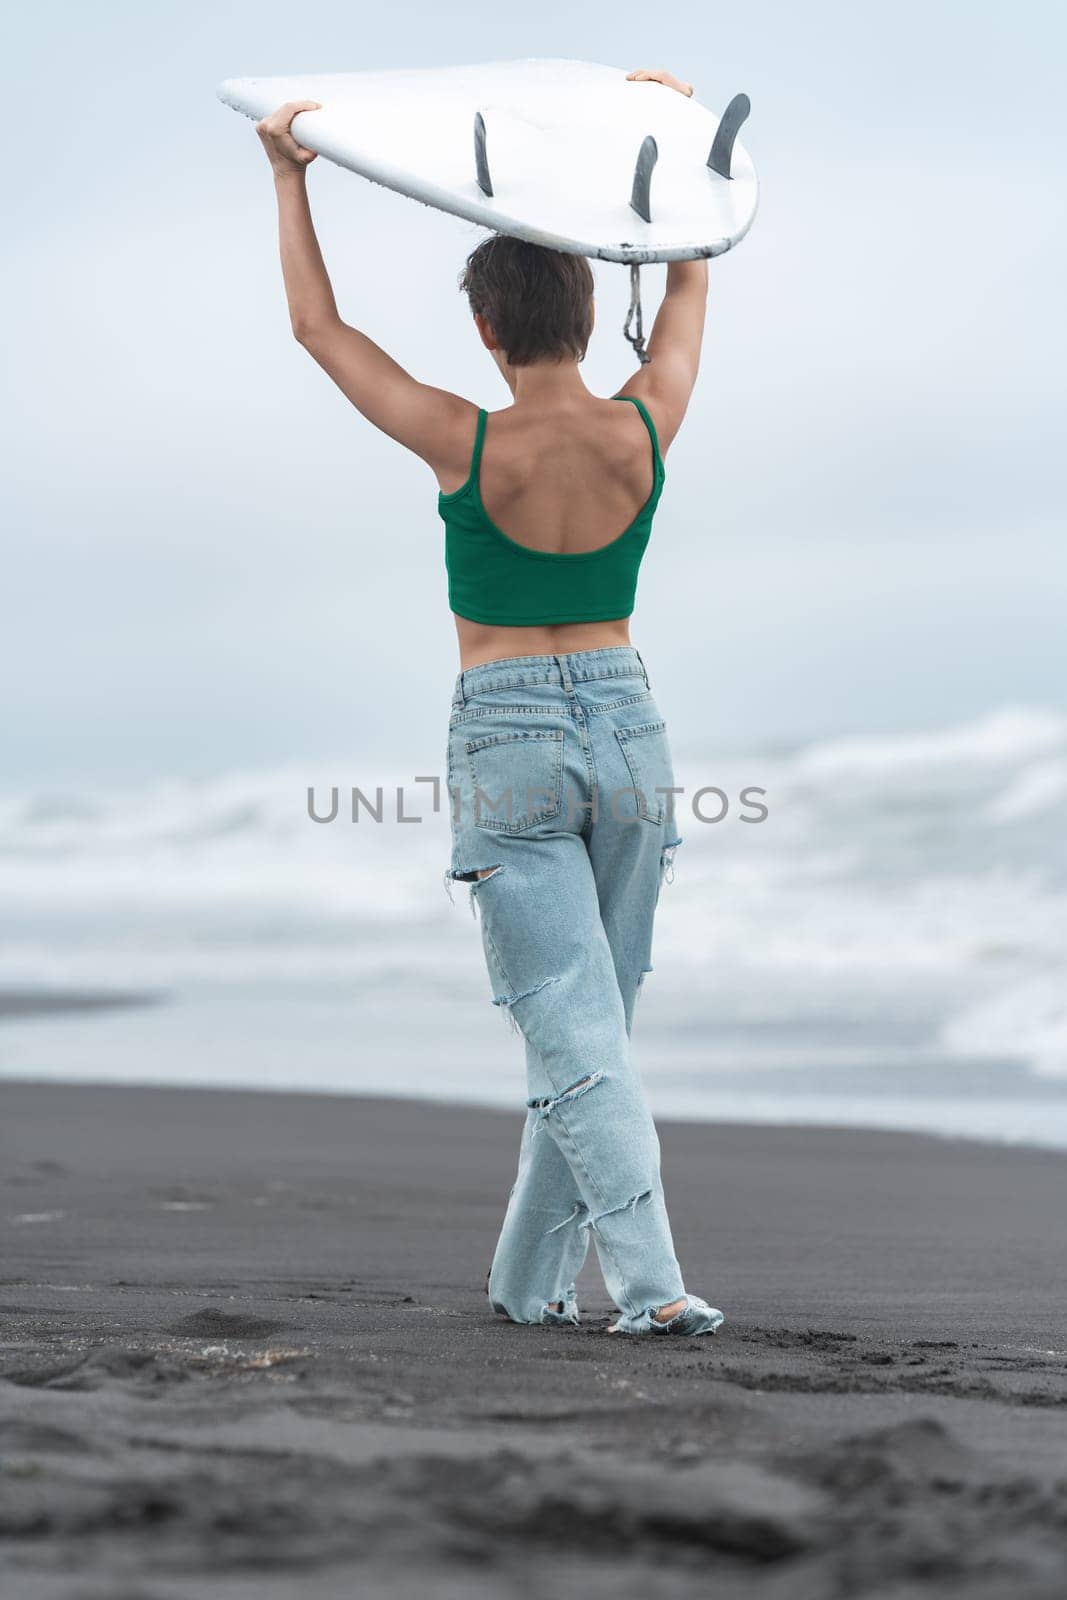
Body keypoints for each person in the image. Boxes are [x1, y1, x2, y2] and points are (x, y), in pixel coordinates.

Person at [255, 65, 723, 1336]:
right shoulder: (645, 424)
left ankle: (648, 1284)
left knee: (577, 1032)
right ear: (583, 305)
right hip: (629, 721)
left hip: (510, 726)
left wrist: (289, 176)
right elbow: (689, 275)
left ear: (484, 331)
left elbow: (320, 331)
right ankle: (526, 1285)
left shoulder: (463, 440)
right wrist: (668, 139)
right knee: (593, 1026)